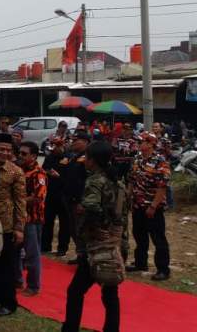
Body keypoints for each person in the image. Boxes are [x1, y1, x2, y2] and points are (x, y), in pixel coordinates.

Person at [62, 141, 124, 332]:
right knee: (110, 292)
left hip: (96, 244)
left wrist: (83, 214)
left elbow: (91, 206)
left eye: (87, 157)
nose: (84, 160)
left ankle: (70, 328)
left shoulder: (95, 181)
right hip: (113, 241)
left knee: (75, 291)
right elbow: (120, 212)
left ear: (93, 160)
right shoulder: (117, 181)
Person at [0, 133, 27, 316]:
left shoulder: (15, 172)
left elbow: (20, 202)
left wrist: (19, 228)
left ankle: (9, 303)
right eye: (1, 149)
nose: (5, 153)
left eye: (9, 150)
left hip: (6, 225)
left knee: (6, 266)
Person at [126, 133, 171, 280]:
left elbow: (162, 187)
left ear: (151, 144)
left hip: (152, 207)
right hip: (138, 205)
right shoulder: (137, 159)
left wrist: (153, 206)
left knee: (158, 239)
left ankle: (163, 269)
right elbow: (132, 180)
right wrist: (129, 198)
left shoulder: (160, 161)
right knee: (139, 235)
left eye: (141, 142)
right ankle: (140, 263)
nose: (138, 144)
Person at [15, 141, 46, 296]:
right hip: (18, 217)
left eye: (24, 154)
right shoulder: (18, 170)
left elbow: (38, 197)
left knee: (32, 254)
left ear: (34, 156)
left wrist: (16, 200)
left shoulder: (38, 173)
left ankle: (33, 286)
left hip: (32, 219)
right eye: (19, 153)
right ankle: (18, 280)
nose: (20, 156)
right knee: (16, 252)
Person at [62, 131, 90, 263]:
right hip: (69, 197)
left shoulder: (89, 158)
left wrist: (82, 201)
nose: (72, 142)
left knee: (82, 229)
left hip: (80, 200)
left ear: (85, 142)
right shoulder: (74, 156)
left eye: (76, 140)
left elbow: (87, 182)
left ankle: (86, 256)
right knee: (73, 228)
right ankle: (80, 254)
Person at [42, 137, 70, 256]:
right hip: (50, 194)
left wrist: (59, 176)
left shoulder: (69, 158)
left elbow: (71, 177)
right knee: (47, 221)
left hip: (64, 194)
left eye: (56, 146)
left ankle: (62, 248)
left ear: (61, 146)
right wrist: (48, 173)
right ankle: (45, 246)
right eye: (52, 145)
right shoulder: (49, 158)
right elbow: (43, 170)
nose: (54, 148)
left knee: (65, 223)